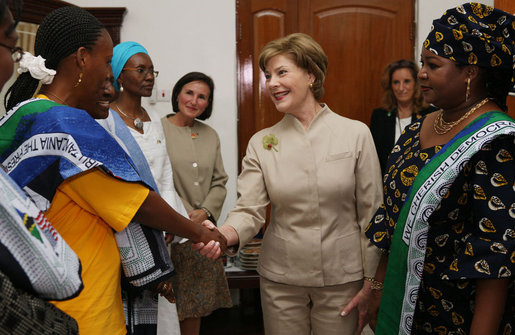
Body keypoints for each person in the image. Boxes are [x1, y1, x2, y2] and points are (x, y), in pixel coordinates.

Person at [0, 6, 225, 335]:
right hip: (82, 310)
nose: (110, 73)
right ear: (81, 58)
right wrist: (202, 234)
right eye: (106, 61)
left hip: (32, 302)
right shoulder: (68, 124)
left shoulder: (21, 115)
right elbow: (139, 203)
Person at [199, 33, 383, 334]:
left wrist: (372, 283)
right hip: (281, 278)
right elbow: (249, 209)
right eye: (268, 75)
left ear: (311, 75)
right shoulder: (261, 143)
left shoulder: (355, 134)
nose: (271, 83)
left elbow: (372, 214)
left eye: (282, 72)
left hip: (342, 277)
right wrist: (224, 234)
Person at [365, 3, 514, 334]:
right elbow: (395, 220)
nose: (421, 74)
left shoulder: (497, 142)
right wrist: (375, 289)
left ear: (470, 72)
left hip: (456, 317)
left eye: (433, 65)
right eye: (422, 63)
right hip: (403, 301)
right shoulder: (418, 127)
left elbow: (496, 259)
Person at [109, 41, 182, 335]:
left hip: (160, 229)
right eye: (141, 70)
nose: (150, 76)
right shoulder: (107, 122)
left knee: (162, 320)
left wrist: (171, 222)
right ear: (119, 76)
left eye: (152, 70)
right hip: (128, 233)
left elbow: (166, 177)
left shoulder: (152, 119)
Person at [161, 71, 231, 335]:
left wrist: (203, 213)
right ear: (178, 93)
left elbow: (220, 181)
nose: (194, 100)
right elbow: (156, 180)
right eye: (189, 92)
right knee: (165, 313)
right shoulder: (157, 129)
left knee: (194, 312)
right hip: (167, 235)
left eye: (202, 97)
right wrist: (179, 218)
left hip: (199, 240)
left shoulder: (210, 135)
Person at [369, 59, 438, 173]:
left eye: (406, 81)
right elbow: (374, 159)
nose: (401, 88)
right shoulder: (379, 116)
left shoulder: (431, 114)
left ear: (416, 84)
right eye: (396, 82)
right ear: (390, 86)